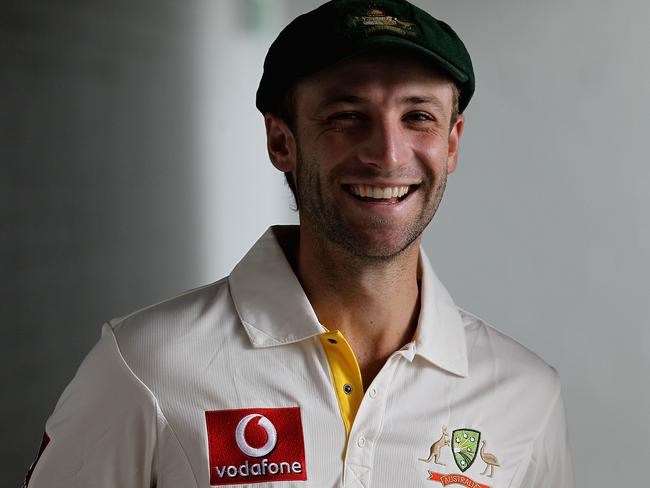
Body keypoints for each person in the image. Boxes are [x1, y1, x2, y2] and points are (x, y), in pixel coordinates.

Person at [24, 1, 573, 487]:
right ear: (281, 142)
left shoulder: (524, 394)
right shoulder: (145, 366)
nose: (387, 153)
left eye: (418, 117)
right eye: (346, 116)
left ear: (452, 143)